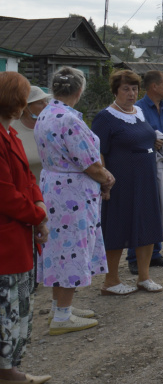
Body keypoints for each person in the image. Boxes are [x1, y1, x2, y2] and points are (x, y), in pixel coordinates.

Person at [33, 69, 115, 336]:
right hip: (71, 194)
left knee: (59, 248)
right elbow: (89, 163)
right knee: (71, 250)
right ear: (80, 90)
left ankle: (59, 308)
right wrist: (107, 179)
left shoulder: (45, 113)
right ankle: (62, 315)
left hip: (53, 187)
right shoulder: (69, 119)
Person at [92, 69, 163, 294]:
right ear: (115, 91)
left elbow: (144, 138)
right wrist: (104, 182)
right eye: (126, 89)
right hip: (120, 183)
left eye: (134, 89)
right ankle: (111, 281)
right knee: (117, 228)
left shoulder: (139, 112)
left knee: (147, 225)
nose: (131, 93)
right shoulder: (105, 117)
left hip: (145, 180)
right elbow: (97, 152)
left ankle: (144, 277)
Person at [0, 72, 51, 384]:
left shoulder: (11, 135)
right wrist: (36, 215)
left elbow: (30, 178)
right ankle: (7, 371)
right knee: (6, 308)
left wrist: (39, 207)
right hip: (6, 240)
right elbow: (5, 194)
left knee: (21, 304)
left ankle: (12, 367)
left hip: (20, 235)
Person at [128, 70, 163, 273]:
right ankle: (134, 257)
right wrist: (150, 140)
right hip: (145, 167)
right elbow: (131, 136)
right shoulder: (137, 109)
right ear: (154, 86)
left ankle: (155, 254)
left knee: (161, 210)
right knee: (141, 211)